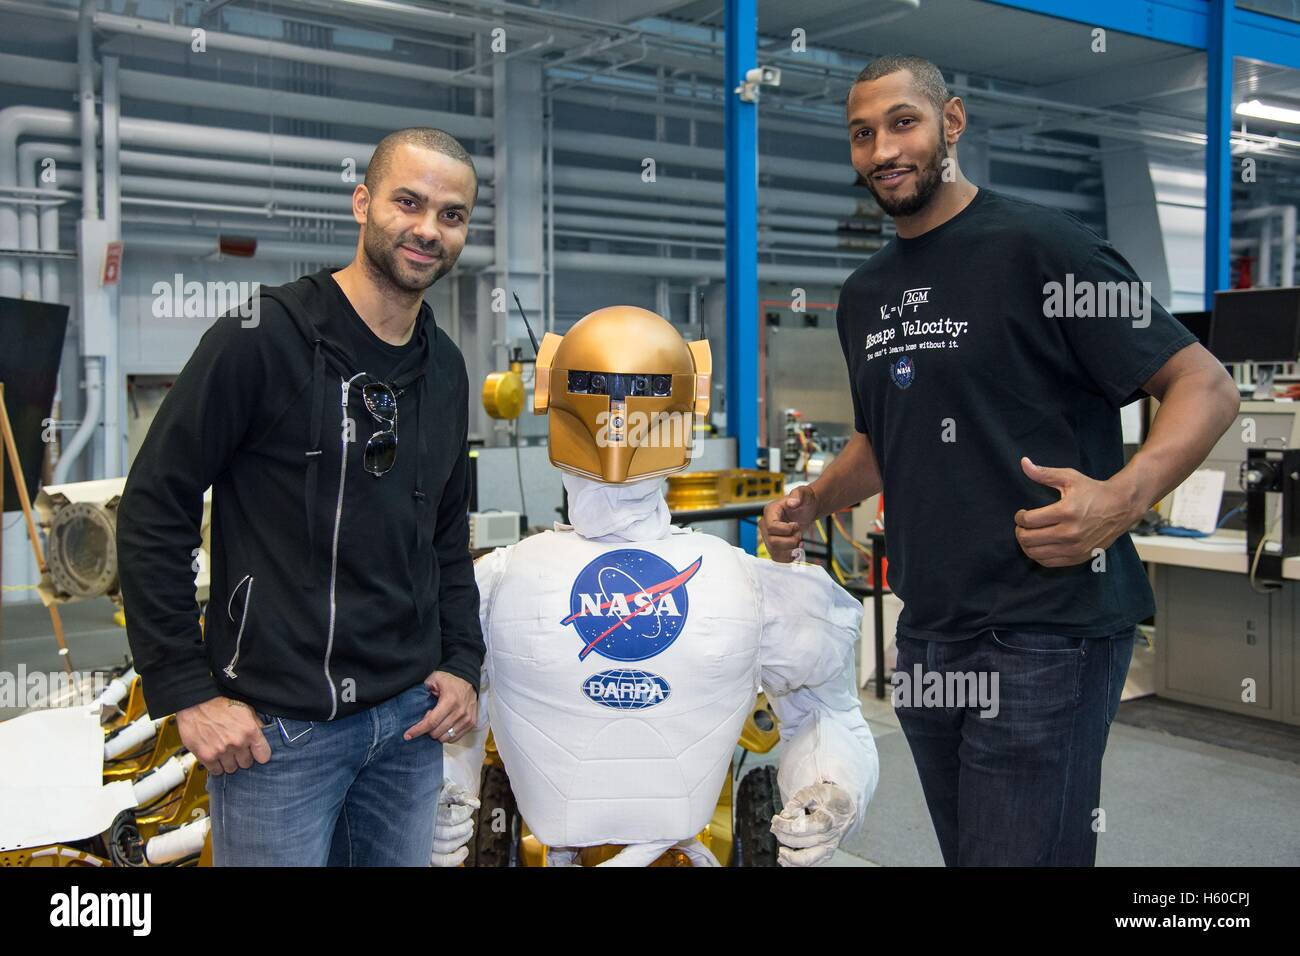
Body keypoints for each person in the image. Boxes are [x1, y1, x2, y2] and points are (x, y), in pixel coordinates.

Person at [760, 56, 1240, 866]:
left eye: (902, 122)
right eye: (862, 134)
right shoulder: (866, 293)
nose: (883, 149)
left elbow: (1206, 384)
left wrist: (1122, 501)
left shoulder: (1044, 248)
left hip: (1046, 627)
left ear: (952, 122)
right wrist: (815, 497)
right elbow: (887, 438)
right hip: (929, 630)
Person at [116, 127, 485, 866]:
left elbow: (445, 534)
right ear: (361, 203)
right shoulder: (262, 337)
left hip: (408, 728)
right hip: (276, 739)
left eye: (451, 215)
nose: (427, 229)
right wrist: (186, 690)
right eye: (407, 202)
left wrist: (462, 660)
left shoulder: (444, 368)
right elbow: (156, 504)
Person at [429, 306, 878, 867]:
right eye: (601, 390)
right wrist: (437, 791)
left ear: (548, 396)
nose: (618, 416)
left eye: (635, 393)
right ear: (692, 407)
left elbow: (454, 716)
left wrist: (830, 792)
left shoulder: (499, 581)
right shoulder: (743, 581)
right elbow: (825, 714)